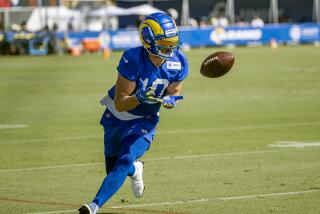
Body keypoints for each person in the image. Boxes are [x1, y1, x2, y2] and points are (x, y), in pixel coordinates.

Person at [78, 12, 189, 214]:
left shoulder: (179, 60)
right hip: (117, 115)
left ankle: (94, 206)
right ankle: (136, 170)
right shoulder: (132, 58)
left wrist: (171, 100)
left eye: (172, 41)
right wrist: (139, 97)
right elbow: (120, 103)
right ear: (148, 40)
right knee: (114, 169)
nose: (171, 47)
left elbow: (174, 91)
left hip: (145, 119)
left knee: (125, 158)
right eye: (165, 42)